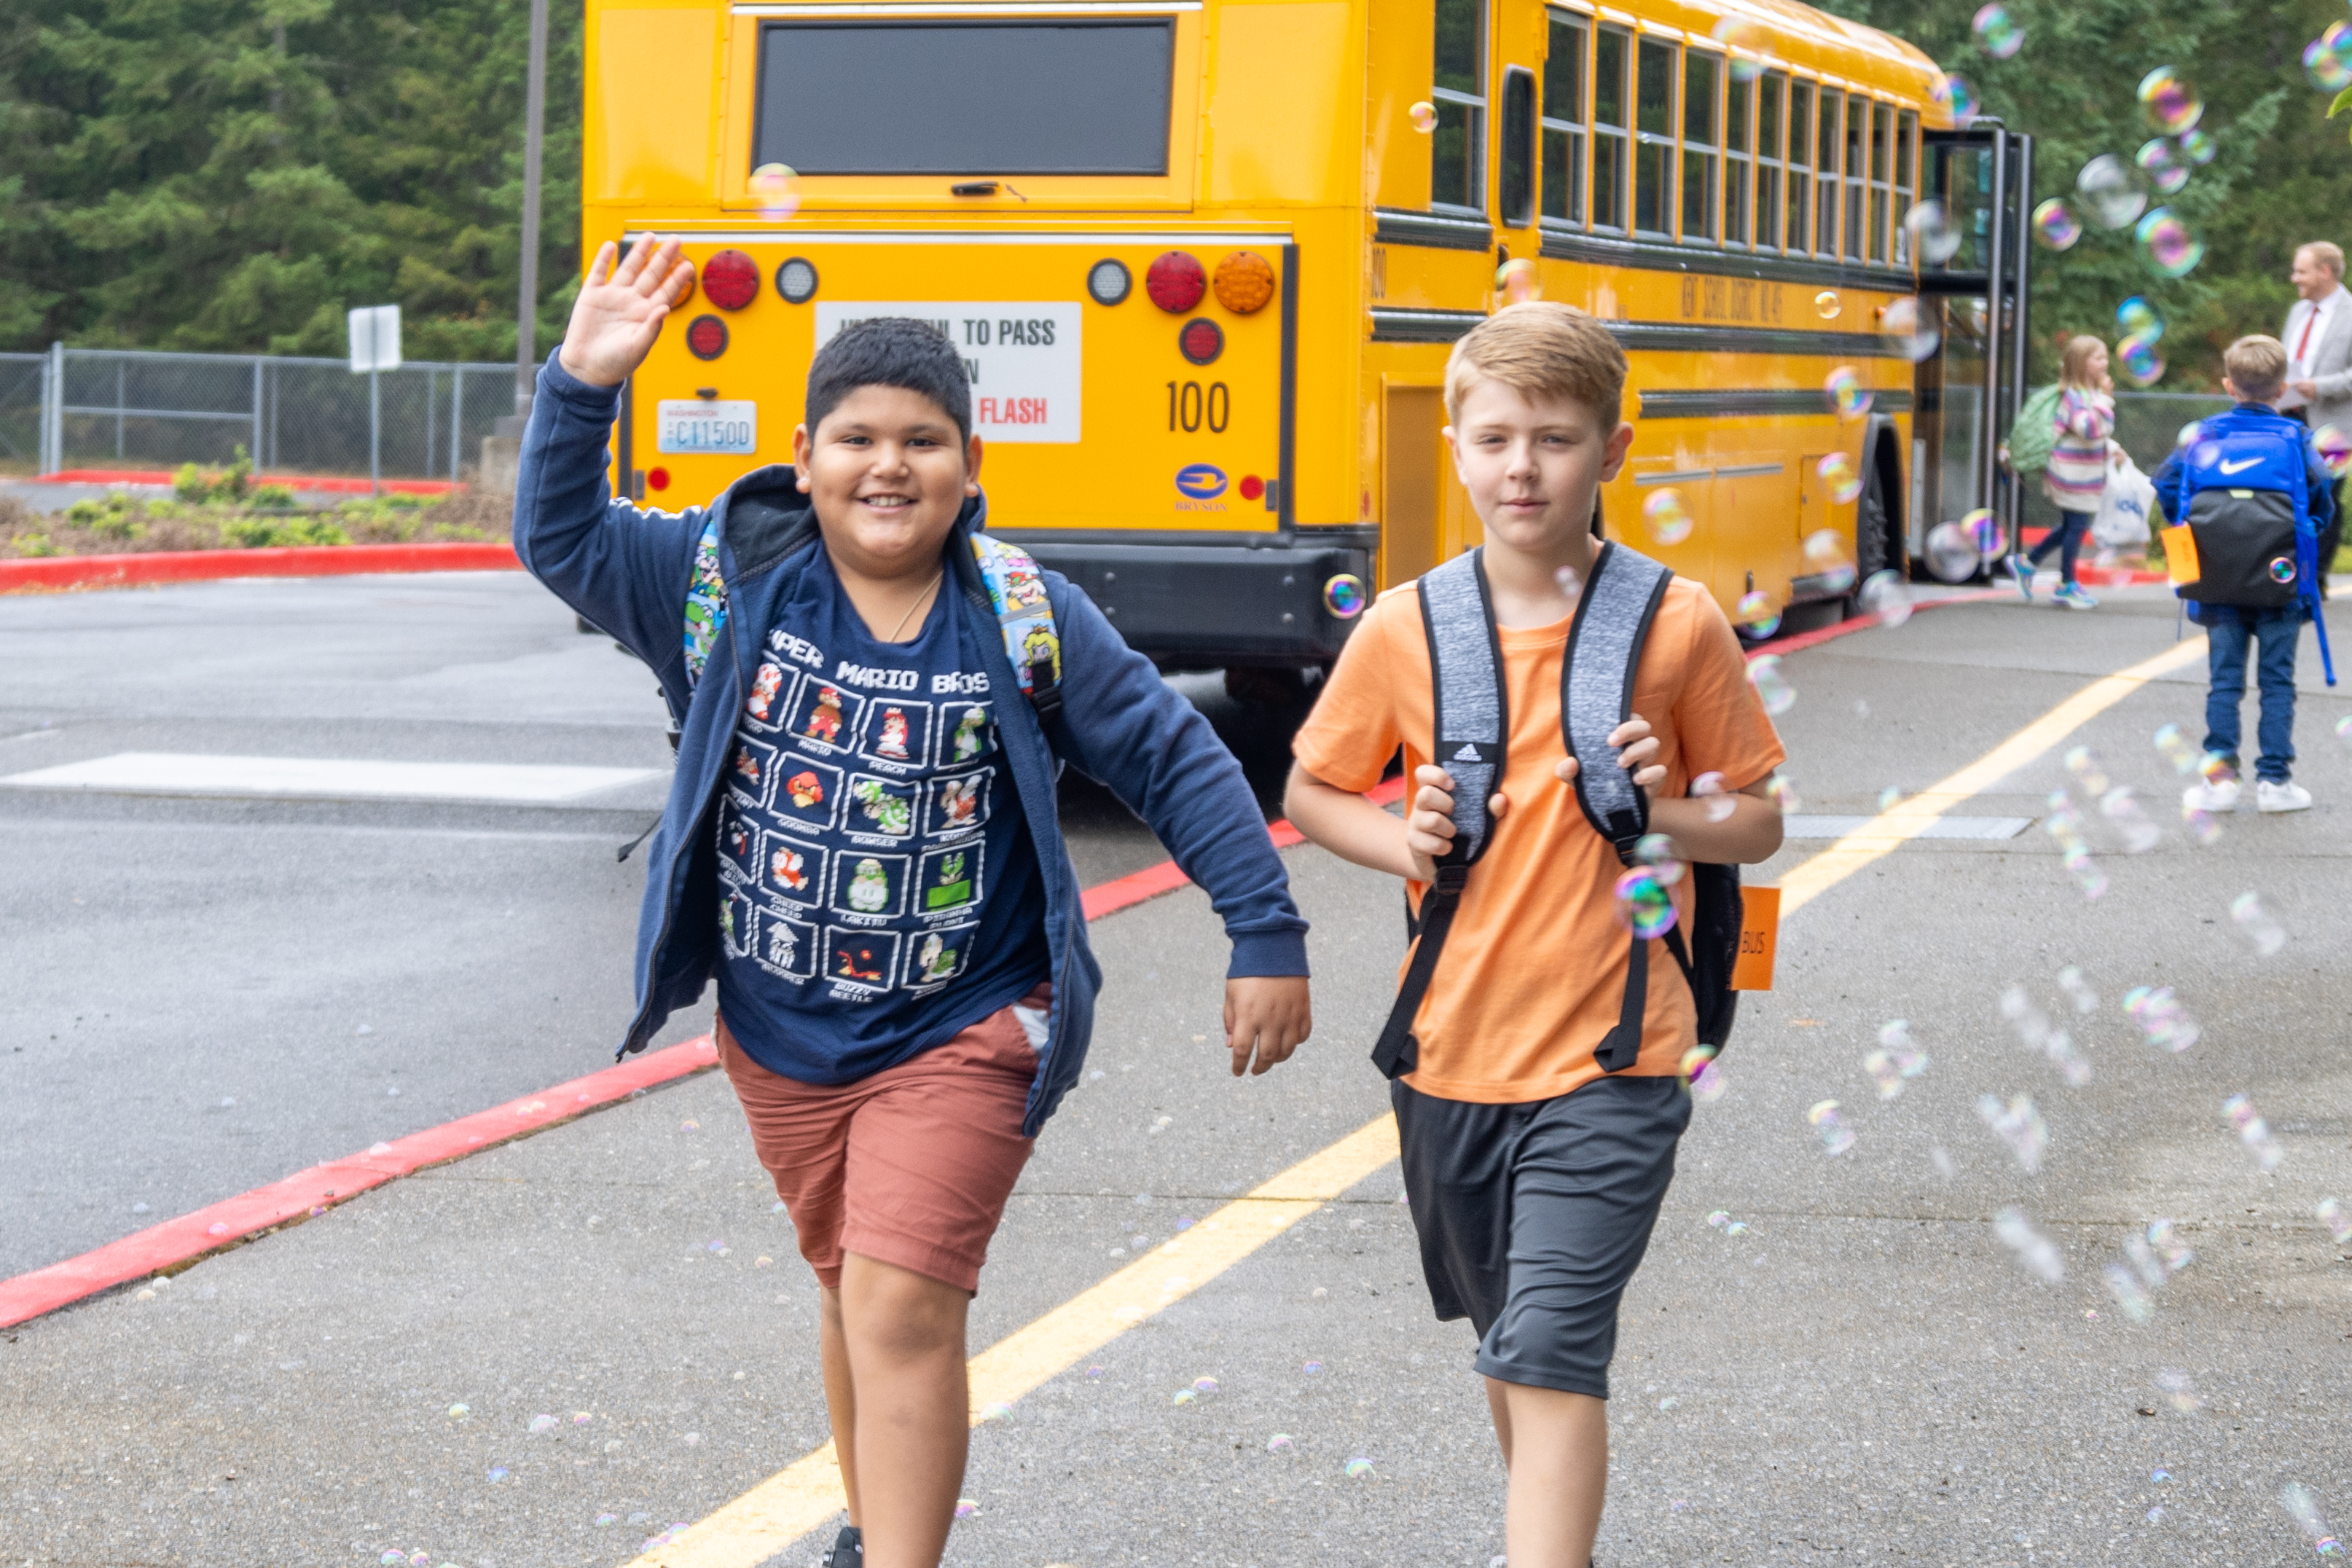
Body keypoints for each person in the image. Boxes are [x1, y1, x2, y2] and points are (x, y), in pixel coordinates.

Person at [514, 238, 1314, 1568]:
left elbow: (1173, 757)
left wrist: (1264, 928)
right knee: (854, 1288)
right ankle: (871, 1529)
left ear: (970, 466)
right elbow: (559, 537)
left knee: (897, 1302)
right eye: (858, 438)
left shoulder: (1019, 611)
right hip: (780, 1036)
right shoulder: (722, 576)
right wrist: (582, 385)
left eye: (924, 441)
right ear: (805, 454)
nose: (889, 465)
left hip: (967, 1023)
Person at [1282, 302, 1786, 1568]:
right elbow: (1312, 789)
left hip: (1616, 1054)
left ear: (1613, 450)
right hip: (1447, 1050)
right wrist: (1403, 840)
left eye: (1553, 440)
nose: (1521, 467)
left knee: (1552, 1345)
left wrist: (1658, 807)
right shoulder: (1404, 623)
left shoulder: (1673, 623)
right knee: (1510, 1343)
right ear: (1450, 443)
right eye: (1494, 437)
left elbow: (1758, 819)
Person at [2156, 334, 2335, 815]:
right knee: (2277, 682)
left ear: (2228, 386)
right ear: (2282, 391)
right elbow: (2324, 498)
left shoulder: (2204, 434)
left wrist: (2194, 531)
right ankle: (2275, 782)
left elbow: (2166, 483)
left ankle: (2220, 784)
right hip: (2282, 579)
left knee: (2225, 682)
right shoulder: (2295, 438)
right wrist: (2306, 533)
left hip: (2217, 577)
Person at [2007, 334, 2115, 609]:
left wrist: (2113, 448)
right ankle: (2066, 584)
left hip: (2083, 472)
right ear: (2081, 363)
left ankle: (2027, 563)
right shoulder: (2073, 395)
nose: (2106, 362)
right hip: (2069, 472)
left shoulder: (2089, 394)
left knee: (2071, 524)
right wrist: (2106, 400)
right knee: (2077, 525)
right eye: (2099, 357)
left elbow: (2098, 433)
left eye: (2106, 357)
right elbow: (2088, 429)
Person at [2281, 240, 2351, 596]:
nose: (2295, 278)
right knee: (2290, 495)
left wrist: (2317, 387)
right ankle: (2293, 570)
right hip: (2290, 418)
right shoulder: (2297, 312)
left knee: (2326, 496)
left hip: (2335, 426)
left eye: (2302, 271)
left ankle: (2317, 576)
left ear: (2325, 272)